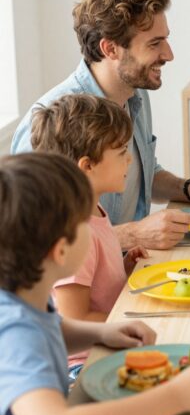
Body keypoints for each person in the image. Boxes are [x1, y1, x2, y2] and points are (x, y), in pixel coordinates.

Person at [0, 153, 190, 415]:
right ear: (61, 251)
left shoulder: (23, 292)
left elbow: (49, 331)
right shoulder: (14, 329)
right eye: (85, 222)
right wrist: (176, 397)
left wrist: (100, 334)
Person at [10, 0, 190, 250]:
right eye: (154, 43)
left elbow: (142, 172)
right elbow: (34, 239)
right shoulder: (51, 122)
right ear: (110, 48)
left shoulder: (136, 93)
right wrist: (132, 235)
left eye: (166, 40)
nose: (169, 54)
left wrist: (186, 187)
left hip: (126, 269)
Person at [30, 93, 148, 377]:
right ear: (88, 166)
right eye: (121, 152)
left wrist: (123, 268)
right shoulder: (75, 230)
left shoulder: (94, 209)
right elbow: (74, 315)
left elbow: (95, 286)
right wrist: (131, 315)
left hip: (108, 341)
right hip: (84, 362)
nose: (129, 160)